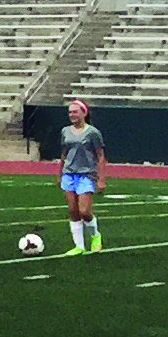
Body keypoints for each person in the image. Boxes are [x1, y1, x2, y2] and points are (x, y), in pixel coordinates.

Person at [57, 97, 108, 255]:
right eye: (70, 112)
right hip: (69, 174)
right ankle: (79, 246)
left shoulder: (92, 133)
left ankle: (95, 236)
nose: (72, 115)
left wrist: (101, 179)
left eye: (75, 112)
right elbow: (64, 153)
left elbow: (100, 156)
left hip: (86, 174)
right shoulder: (65, 131)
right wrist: (60, 174)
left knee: (84, 211)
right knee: (73, 211)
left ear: (83, 113)